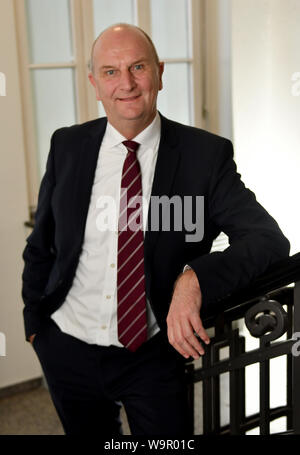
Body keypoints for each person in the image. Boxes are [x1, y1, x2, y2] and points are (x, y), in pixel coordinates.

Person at [22, 23, 290, 436]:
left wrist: (194, 277)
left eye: (138, 67)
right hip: (66, 345)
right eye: (110, 71)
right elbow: (42, 243)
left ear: (160, 73)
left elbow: (268, 239)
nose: (126, 83)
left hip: (150, 353)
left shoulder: (205, 156)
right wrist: (35, 322)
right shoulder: (67, 145)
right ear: (94, 83)